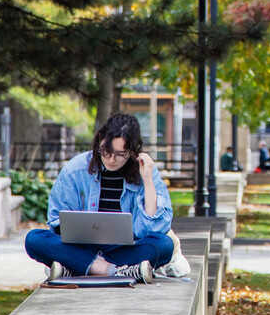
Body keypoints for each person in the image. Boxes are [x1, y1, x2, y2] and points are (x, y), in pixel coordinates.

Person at [24, 113, 174, 283]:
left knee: (164, 245)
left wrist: (147, 181)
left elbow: (155, 229)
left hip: (124, 250)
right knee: (34, 239)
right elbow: (56, 220)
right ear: (100, 139)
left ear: (133, 150)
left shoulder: (146, 172)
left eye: (120, 154)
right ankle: (114, 270)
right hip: (81, 247)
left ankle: (76, 268)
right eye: (106, 151)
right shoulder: (76, 169)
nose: (111, 159)